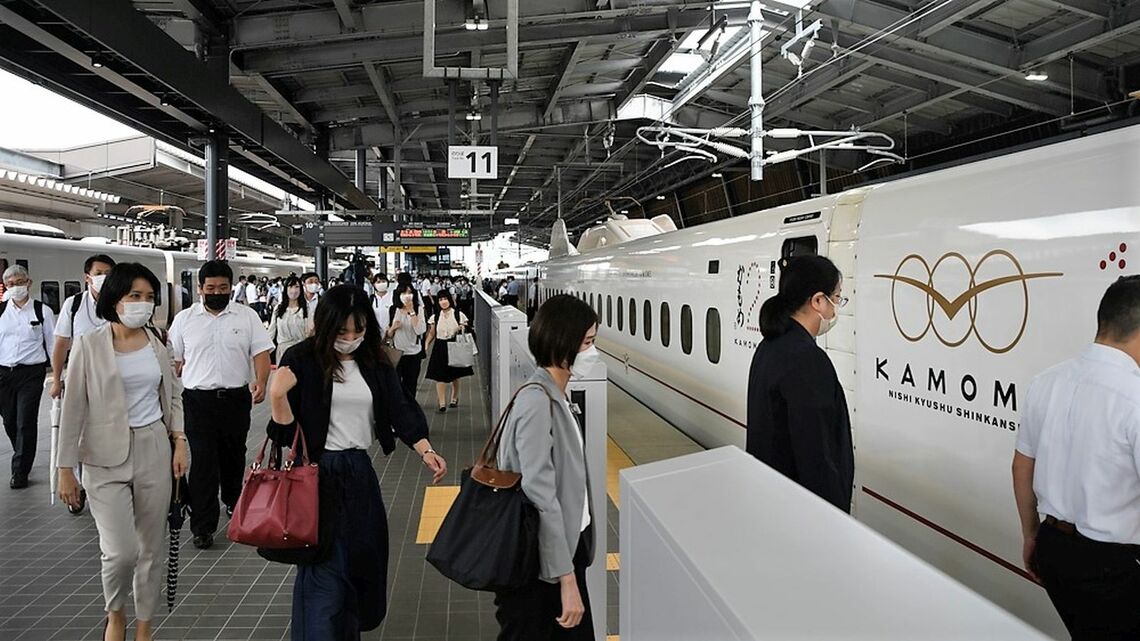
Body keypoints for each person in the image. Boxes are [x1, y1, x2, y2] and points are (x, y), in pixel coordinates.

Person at [267, 285, 446, 641]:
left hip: (359, 474)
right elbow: (285, 436)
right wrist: (276, 395)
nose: (351, 338)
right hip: (316, 475)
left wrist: (425, 449)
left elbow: (399, 408)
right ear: (325, 325)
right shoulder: (300, 359)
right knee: (323, 573)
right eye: (342, 331)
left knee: (361, 562)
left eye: (359, 330)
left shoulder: (373, 360)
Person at [56, 262, 188, 641]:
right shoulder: (88, 345)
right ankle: (116, 612)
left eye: (148, 298)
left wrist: (179, 440)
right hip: (101, 455)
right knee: (120, 552)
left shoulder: (157, 342)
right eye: (134, 296)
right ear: (114, 299)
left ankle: (144, 626)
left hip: (153, 449)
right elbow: (74, 407)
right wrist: (65, 467)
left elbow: (173, 394)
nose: (142, 304)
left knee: (151, 548)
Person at [1013, 275, 1140, 639]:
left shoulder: (1047, 381)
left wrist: (1031, 535)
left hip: (1055, 550)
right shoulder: (1136, 396)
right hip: (1116, 567)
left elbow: (1022, 466)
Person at [495, 294, 598, 640]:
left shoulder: (556, 397)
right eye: (587, 343)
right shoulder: (537, 402)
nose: (592, 353)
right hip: (543, 566)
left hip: (563, 551)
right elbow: (541, 495)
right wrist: (565, 578)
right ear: (562, 343)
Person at [168, 260, 273, 549]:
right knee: (203, 462)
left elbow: (261, 352)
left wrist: (261, 381)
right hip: (197, 400)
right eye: (211, 288)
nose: (217, 292)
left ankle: (231, 497)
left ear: (231, 287)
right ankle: (202, 526)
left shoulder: (247, 317)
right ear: (200, 288)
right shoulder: (184, 320)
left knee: (233, 454)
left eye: (223, 288)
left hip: (235, 399)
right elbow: (173, 358)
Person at [745, 255, 853, 512]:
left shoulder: (769, 346)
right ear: (818, 301)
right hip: (802, 511)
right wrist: (834, 518)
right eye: (836, 298)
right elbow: (818, 455)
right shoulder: (807, 360)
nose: (836, 307)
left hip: (772, 496)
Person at [50, 253, 116, 513]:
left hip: (112, 381)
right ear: (87, 277)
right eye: (99, 273)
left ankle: (105, 481)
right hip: (80, 380)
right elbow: (61, 343)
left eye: (109, 273)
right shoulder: (74, 304)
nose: (104, 278)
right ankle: (78, 484)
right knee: (76, 433)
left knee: (107, 431)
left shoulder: (121, 302)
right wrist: (56, 379)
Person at [0, 264, 55, 489]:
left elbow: (53, 343)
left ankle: (20, 470)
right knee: (10, 421)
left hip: (31, 374)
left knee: (25, 421)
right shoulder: (1, 312)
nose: (16, 288)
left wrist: (60, 376)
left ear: (29, 283)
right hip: (3, 374)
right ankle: (22, 451)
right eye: (11, 285)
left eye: (19, 283)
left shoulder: (43, 311)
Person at [424, 290, 473, 412]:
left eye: (445, 299)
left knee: (455, 375)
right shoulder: (435, 316)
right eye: (440, 300)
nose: (443, 302)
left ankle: (454, 398)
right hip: (440, 346)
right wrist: (426, 344)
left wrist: (462, 327)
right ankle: (442, 402)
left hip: (454, 344)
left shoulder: (458, 314)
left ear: (450, 300)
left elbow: (466, 328)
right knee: (439, 375)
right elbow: (432, 333)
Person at [386, 283, 426, 399]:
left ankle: (410, 409)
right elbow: (389, 334)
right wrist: (393, 328)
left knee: (410, 385)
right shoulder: (394, 310)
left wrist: (412, 312)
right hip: (396, 353)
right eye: (403, 293)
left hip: (413, 353)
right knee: (396, 384)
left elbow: (420, 330)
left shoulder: (419, 310)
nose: (407, 296)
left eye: (409, 293)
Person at [269, 276, 312, 363]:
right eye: (290, 287)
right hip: (283, 352)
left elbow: (309, 332)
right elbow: (271, 331)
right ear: (285, 289)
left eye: (297, 287)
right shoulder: (279, 309)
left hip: (301, 352)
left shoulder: (306, 309)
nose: (294, 290)